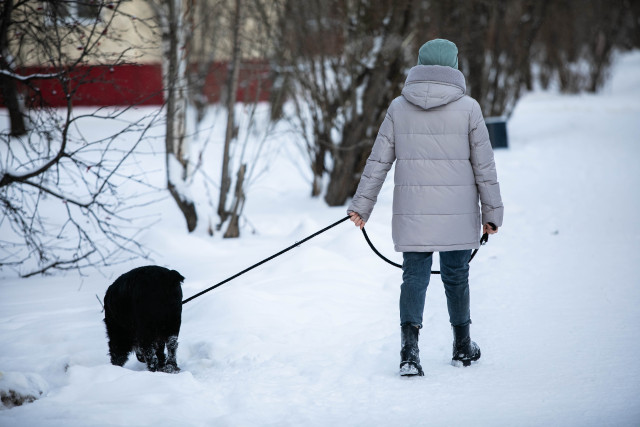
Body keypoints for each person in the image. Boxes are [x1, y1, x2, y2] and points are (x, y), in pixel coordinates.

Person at [347, 39, 504, 377]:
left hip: (413, 211)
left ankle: (409, 352)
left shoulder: (398, 107)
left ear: (419, 65)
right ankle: (463, 346)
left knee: (414, 276)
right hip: (457, 212)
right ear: (454, 66)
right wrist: (491, 214)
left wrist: (362, 205)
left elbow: (378, 161)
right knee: (457, 276)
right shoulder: (470, 108)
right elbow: (485, 168)